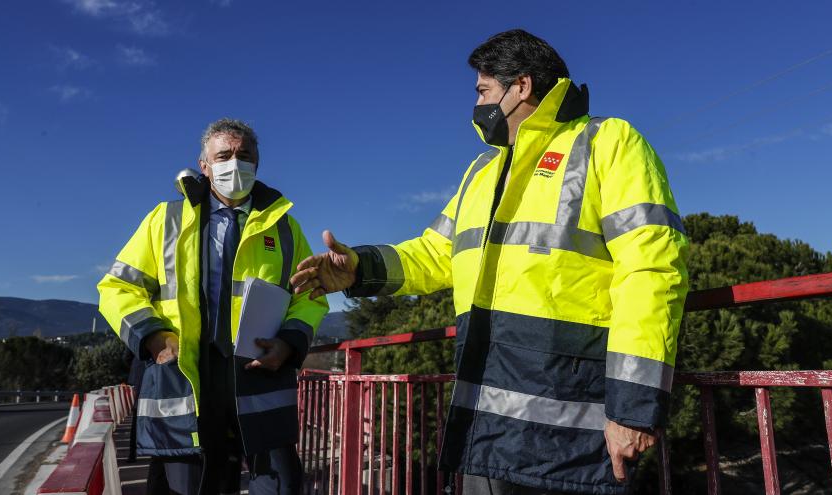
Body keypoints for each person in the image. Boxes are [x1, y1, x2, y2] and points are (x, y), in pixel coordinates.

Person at [290, 30, 689, 494]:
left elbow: (652, 272)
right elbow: (435, 252)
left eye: (483, 91)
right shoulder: (482, 170)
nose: (476, 105)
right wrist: (357, 268)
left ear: (520, 86)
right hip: (487, 420)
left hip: (576, 425)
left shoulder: (608, 141)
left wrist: (633, 409)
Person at [98, 118, 328, 494]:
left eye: (245, 155)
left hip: (260, 377)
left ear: (258, 163)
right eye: (224, 155)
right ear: (204, 165)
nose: (235, 164)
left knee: (281, 483)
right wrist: (153, 337)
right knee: (188, 485)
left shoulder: (285, 228)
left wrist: (289, 342)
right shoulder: (165, 220)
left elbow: (310, 297)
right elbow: (117, 287)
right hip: (185, 377)